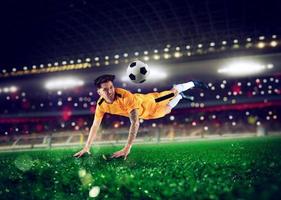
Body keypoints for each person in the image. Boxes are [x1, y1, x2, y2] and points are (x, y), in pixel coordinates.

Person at [73, 74, 207, 160]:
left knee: (173, 91)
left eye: (111, 87)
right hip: (147, 114)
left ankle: (193, 83)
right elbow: (95, 125)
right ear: (99, 92)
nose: (110, 91)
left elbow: (135, 123)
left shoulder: (125, 96)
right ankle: (180, 97)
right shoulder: (101, 105)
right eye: (105, 89)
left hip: (152, 101)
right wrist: (87, 147)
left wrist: (127, 147)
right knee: (167, 111)